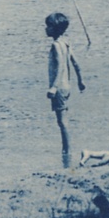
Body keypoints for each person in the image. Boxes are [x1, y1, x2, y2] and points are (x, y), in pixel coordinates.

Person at [46, 12, 86, 166]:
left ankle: (67, 151)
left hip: (59, 87)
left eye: (48, 26)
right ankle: (67, 150)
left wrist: (53, 87)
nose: (46, 29)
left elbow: (61, 67)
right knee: (64, 120)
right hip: (67, 86)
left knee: (62, 121)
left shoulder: (56, 45)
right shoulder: (66, 42)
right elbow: (75, 63)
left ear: (54, 29)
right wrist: (81, 81)